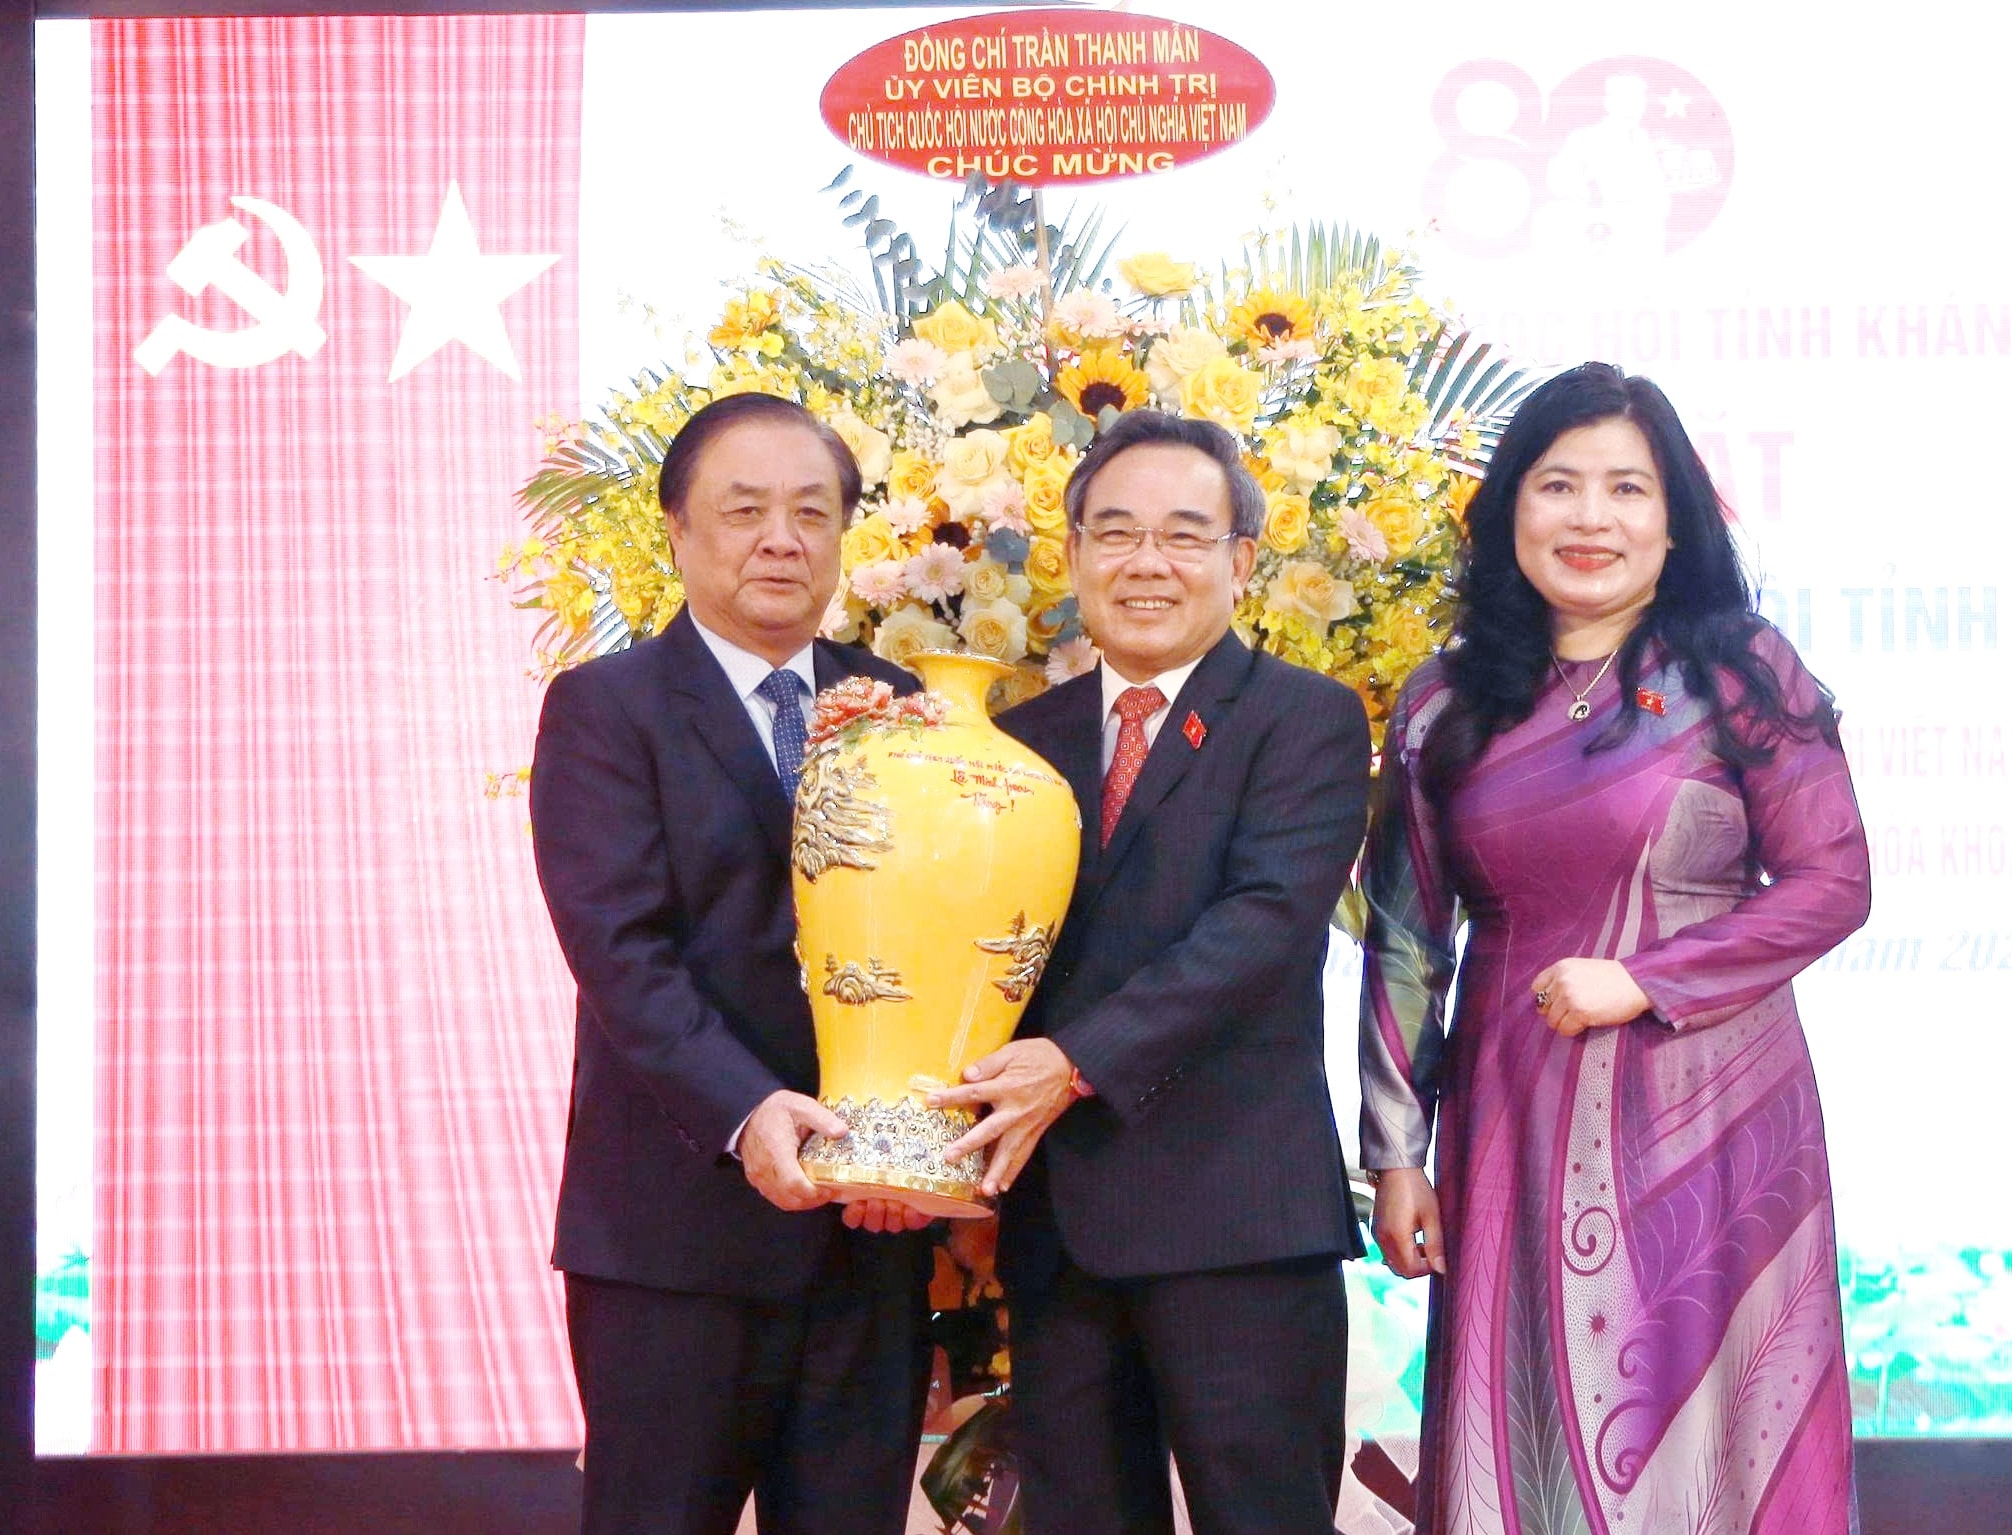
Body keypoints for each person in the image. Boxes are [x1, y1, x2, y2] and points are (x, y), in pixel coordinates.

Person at [1358, 363, 1871, 1534]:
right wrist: (1395, 1154)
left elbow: (1832, 882)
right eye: (1558, 485)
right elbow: (1404, 937)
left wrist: (1645, 977)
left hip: (1716, 1112)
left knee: (1715, 1436)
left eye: (1627, 489)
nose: (1591, 517)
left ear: (1673, 519)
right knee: (1531, 1425)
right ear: (1508, 510)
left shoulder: (1739, 673)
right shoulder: (1442, 700)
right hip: (1518, 1111)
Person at [928, 411, 1372, 1534]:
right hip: (1061, 1226)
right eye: (1116, 532)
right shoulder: (1015, 740)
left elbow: (1261, 928)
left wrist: (1074, 1062)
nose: (1146, 562)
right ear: (1075, 552)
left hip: (1240, 1218)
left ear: (1241, 559)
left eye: (1183, 534)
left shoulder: (1306, 720)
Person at [529, 392, 934, 1535]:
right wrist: (748, 1108)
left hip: (868, 1226)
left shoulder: (904, 709)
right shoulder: (606, 709)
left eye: (811, 512)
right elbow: (620, 950)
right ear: (677, 529)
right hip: (676, 1233)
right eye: (745, 510)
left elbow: (943, 945)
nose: (780, 539)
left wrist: (912, 1141)